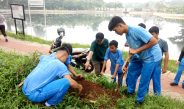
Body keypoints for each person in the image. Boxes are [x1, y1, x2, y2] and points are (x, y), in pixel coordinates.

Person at [108, 16, 162, 105]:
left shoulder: (136, 30)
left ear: (120, 25)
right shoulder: (127, 34)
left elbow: (154, 41)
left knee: (144, 78)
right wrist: (126, 63)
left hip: (152, 57)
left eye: (115, 30)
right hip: (139, 55)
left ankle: (139, 100)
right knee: (131, 71)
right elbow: (132, 49)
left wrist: (136, 51)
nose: (116, 33)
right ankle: (130, 91)